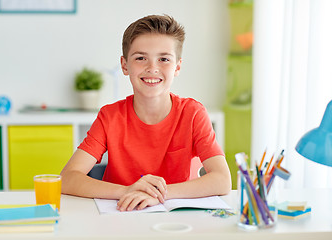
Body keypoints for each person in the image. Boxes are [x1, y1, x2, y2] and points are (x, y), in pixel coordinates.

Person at [61, 14, 231, 212]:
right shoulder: (110, 116)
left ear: (177, 66)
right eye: (141, 58)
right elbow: (67, 178)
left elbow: (222, 180)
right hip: (121, 216)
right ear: (125, 65)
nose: (152, 68)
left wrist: (158, 194)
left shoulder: (193, 114)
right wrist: (127, 191)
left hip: (178, 220)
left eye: (164, 59)